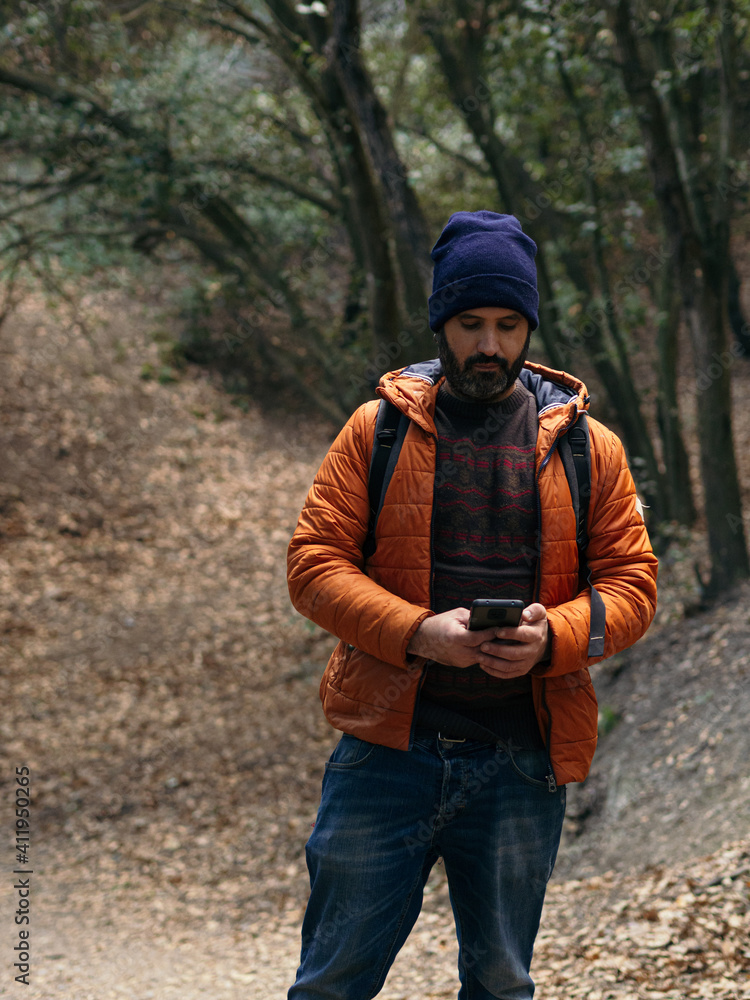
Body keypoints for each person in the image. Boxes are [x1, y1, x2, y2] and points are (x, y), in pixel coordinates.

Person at [286, 210, 658, 1000]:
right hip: (386, 750)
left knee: (500, 982)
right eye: (469, 323)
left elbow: (632, 583)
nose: (488, 345)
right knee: (332, 981)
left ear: (528, 328)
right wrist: (419, 633)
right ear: (440, 324)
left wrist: (552, 637)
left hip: (521, 757)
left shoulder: (593, 450)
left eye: (506, 324)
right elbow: (313, 566)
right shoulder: (375, 432)